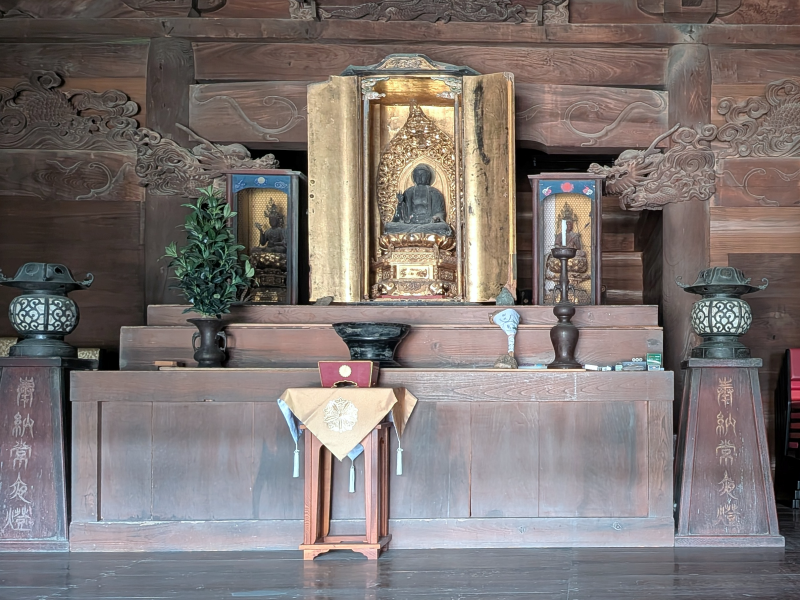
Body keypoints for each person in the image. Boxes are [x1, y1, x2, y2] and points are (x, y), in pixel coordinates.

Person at [385, 164, 452, 236]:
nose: (420, 177)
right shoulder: (408, 192)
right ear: (414, 177)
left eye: (423, 175)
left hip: (429, 223)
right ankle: (418, 230)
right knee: (389, 227)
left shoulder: (435, 193)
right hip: (410, 223)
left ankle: (415, 231)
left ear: (428, 177)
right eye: (417, 175)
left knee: (443, 227)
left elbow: (440, 213)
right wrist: (400, 203)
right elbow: (399, 217)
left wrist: (435, 218)